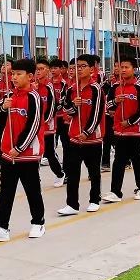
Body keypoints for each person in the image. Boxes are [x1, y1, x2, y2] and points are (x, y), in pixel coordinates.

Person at [0, 59, 46, 242]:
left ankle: (38, 222)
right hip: (7, 152)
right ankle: (1, 226)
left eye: (19, 74)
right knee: (6, 191)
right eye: (13, 74)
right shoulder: (9, 96)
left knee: (32, 189)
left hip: (27, 153)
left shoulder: (34, 97)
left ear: (30, 76)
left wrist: (19, 148)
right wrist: (3, 108)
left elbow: (34, 125)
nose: (14, 77)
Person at [57, 54, 105, 215]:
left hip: (92, 138)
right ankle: (72, 204)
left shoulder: (96, 89)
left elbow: (97, 113)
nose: (79, 69)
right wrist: (73, 104)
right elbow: (67, 111)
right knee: (72, 172)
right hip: (74, 137)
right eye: (77, 66)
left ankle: (94, 199)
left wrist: (87, 132)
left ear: (92, 69)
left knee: (94, 171)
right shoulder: (71, 89)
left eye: (83, 66)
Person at [102, 58, 140, 203]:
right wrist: (115, 102)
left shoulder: (139, 86)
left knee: (136, 157)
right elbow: (108, 106)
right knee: (118, 160)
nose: (123, 70)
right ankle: (115, 192)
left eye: (126, 67)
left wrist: (129, 122)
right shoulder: (115, 86)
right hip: (119, 130)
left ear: (134, 69)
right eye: (120, 67)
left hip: (135, 129)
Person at [35, 58, 66, 188]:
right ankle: (35, 179)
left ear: (47, 71)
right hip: (35, 126)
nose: (38, 72)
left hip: (47, 125)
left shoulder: (49, 87)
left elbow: (52, 107)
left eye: (41, 69)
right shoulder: (32, 85)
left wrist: (44, 121)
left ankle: (60, 174)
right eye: (37, 69)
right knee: (35, 153)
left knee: (49, 152)